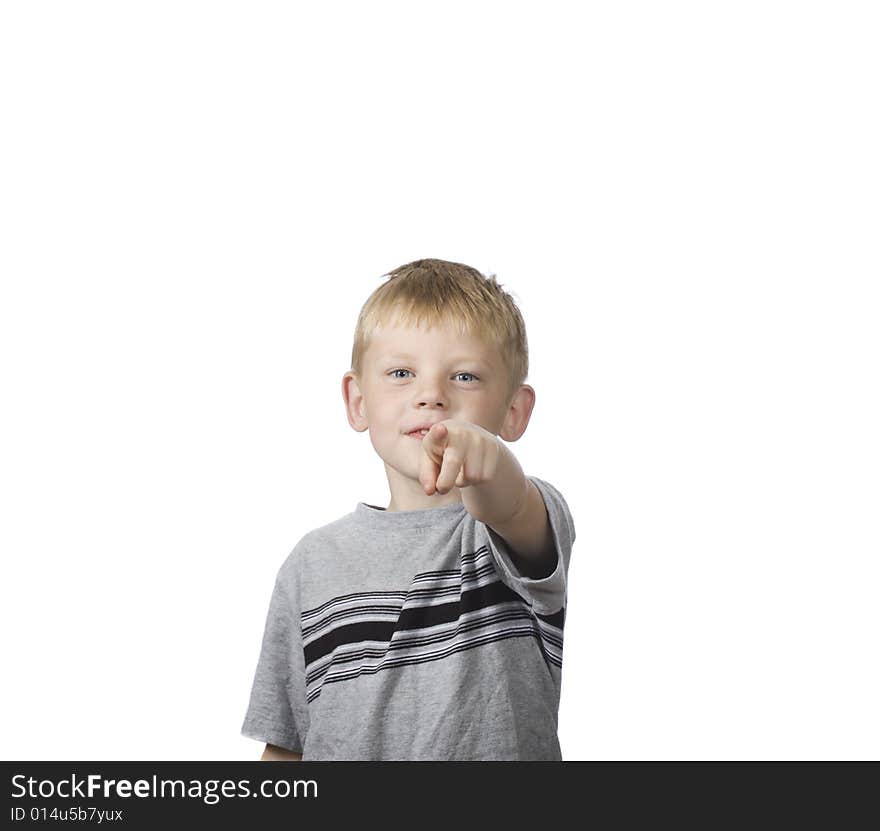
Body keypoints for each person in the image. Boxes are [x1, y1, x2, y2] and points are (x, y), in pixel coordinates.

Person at [241, 257, 577, 761]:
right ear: (357, 401)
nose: (431, 396)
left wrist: (490, 460)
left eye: (464, 377)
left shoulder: (514, 526)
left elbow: (509, 502)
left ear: (513, 411)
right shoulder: (311, 563)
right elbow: (287, 745)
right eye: (401, 373)